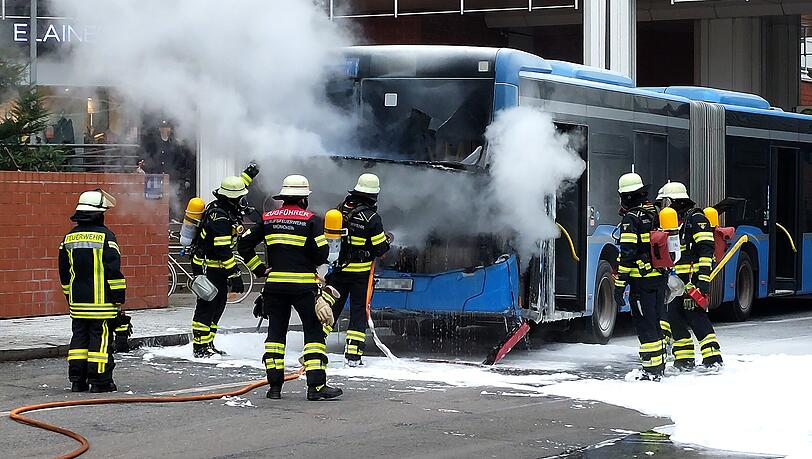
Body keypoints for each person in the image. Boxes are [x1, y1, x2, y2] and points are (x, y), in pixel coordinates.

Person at [238, 175, 343, 401]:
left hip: (275, 286)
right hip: (304, 287)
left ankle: (274, 387)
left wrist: (259, 269)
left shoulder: (267, 218)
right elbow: (322, 254)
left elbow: (244, 244)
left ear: (283, 198)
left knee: (276, 334)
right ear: (304, 199)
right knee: (314, 333)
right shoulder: (312, 220)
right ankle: (315, 387)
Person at [59, 189, 126, 393]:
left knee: (79, 340)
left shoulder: (68, 238)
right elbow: (113, 271)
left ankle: (77, 381)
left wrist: (69, 296)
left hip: (78, 303)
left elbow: (64, 272)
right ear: (99, 213)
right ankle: (100, 382)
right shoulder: (106, 237)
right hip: (102, 304)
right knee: (100, 341)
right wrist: (119, 298)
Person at [189, 164, 259, 358]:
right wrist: (235, 274)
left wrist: (250, 173)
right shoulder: (220, 217)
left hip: (217, 267)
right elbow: (221, 250)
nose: (242, 200)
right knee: (207, 305)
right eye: (239, 198)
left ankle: (209, 343)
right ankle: (200, 347)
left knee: (218, 305)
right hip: (209, 267)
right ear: (231, 198)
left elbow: (239, 184)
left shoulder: (224, 206)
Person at [656, 182, 723, 370]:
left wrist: (703, 282)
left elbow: (706, 251)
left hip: (692, 281)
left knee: (696, 318)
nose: (665, 207)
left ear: (674, 201)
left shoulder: (697, 219)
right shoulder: (676, 221)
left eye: (666, 202)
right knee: (674, 318)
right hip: (676, 282)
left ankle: (713, 359)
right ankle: (684, 359)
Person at [327, 173, 391, 367]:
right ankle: (353, 357)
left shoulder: (340, 210)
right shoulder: (372, 217)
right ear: (374, 195)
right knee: (358, 313)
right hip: (360, 275)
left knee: (330, 310)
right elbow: (380, 249)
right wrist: (386, 241)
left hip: (338, 271)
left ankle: (315, 347)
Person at [615, 173, 667, 380]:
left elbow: (627, 254)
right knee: (656, 321)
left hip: (642, 281)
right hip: (659, 278)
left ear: (627, 197)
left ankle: (651, 371)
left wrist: (620, 286)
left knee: (645, 325)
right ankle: (659, 366)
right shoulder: (656, 212)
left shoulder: (631, 219)